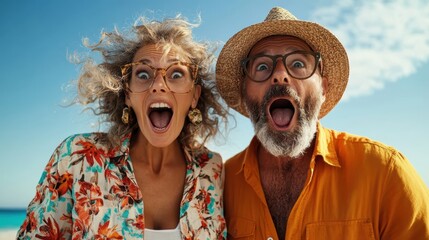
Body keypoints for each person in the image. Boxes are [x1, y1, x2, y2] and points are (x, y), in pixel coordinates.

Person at [216, 6, 429, 240]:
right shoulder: (221, 185)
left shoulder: (386, 173)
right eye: (263, 66)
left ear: (324, 88)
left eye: (297, 64)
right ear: (245, 93)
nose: (279, 75)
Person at [17, 15, 228, 239]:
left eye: (176, 74)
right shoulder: (77, 158)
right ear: (127, 93)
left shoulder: (212, 170)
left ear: (194, 96)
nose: (158, 85)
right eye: (143, 74)